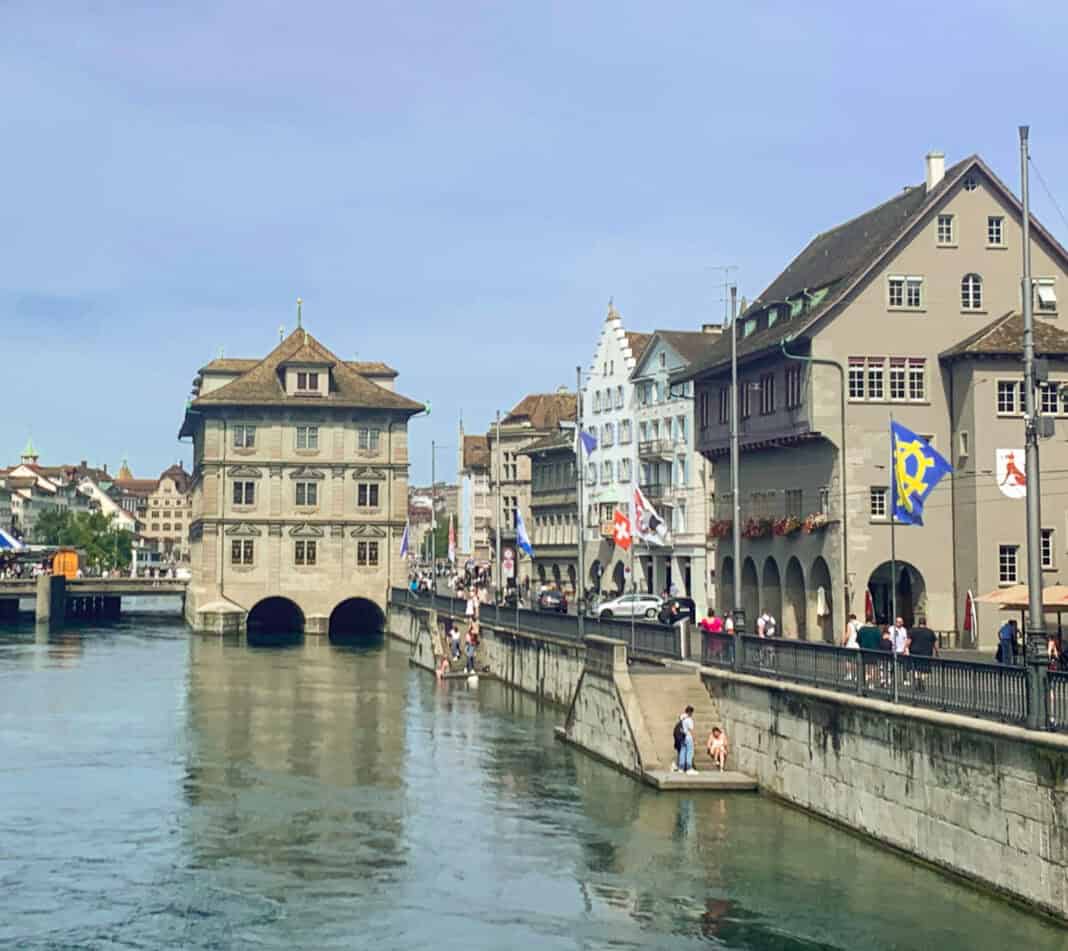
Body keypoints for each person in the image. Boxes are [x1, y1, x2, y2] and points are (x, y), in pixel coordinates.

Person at [906, 616, 937, 689]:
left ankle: (918, 678)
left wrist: (905, 649)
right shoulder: (930, 632)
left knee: (915, 668)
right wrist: (937, 652)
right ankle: (922, 679)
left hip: (915, 652)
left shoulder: (913, 631)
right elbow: (935, 643)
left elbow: (908, 642)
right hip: (926, 653)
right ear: (925, 623)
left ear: (918, 623)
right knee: (925, 669)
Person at [679, 705, 697, 775]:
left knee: (683, 752)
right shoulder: (689, 719)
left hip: (683, 737)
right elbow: (691, 730)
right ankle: (689, 768)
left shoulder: (682, 718)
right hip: (688, 737)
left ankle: (681, 768)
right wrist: (694, 739)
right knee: (690, 752)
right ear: (690, 712)